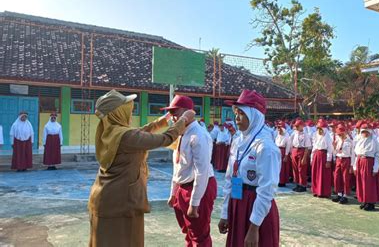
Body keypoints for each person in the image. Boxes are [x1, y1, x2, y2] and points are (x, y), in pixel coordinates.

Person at [88, 90, 194, 247]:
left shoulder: (112, 131)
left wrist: (162, 121)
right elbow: (164, 139)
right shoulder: (125, 136)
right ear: (118, 113)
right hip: (122, 202)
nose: (130, 114)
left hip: (107, 199)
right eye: (128, 110)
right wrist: (183, 120)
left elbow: (138, 134)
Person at [219, 89, 280, 247]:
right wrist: (225, 213)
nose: (236, 118)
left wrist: (254, 228)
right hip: (238, 201)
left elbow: (267, 190)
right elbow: (229, 179)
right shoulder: (238, 140)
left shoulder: (265, 147)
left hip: (256, 207)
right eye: (236, 112)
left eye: (241, 113)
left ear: (254, 115)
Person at [164, 95, 217, 247]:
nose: (173, 118)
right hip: (183, 187)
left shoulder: (199, 135)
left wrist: (194, 203)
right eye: (171, 113)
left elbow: (202, 171)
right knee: (188, 232)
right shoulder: (182, 133)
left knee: (199, 235)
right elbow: (178, 165)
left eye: (176, 113)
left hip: (199, 187)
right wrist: (173, 193)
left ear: (188, 113)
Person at [353, 123, 379, 211]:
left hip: (369, 162)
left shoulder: (374, 141)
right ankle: (364, 200)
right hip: (360, 161)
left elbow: (377, 155)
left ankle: (371, 202)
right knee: (361, 182)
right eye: (363, 132)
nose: (365, 133)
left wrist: (376, 168)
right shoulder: (359, 141)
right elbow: (356, 154)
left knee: (369, 182)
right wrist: (354, 166)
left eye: (366, 131)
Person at [311, 119, 334, 198]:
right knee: (316, 173)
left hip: (324, 155)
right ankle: (316, 190)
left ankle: (324, 192)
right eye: (318, 128)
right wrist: (312, 157)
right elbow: (314, 146)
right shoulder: (316, 135)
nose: (319, 130)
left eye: (320, 128)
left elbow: (330, 149)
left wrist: (328, 160)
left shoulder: (328, 136)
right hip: (317, 155)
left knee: (323, 174)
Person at [332, 126, 353, 204]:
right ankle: (339, 194)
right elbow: (335, 152)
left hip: (346, 160)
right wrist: (334, 147)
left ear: (345, 132)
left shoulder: (350, 141)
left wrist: (352, 165)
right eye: (338, 134)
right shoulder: (338, 141)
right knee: (337, 177)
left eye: (341, 134)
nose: (339, 135)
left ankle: (345, 195)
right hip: (338, 159)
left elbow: (352, 154)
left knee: (345, 178)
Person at [289, 120, 312, 192]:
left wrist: (304, 157)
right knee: (295, 169)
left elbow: (307, 147)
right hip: (294, 150)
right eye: (296, 126)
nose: (296, 127)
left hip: (302, 151)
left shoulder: (305, 135)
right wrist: (290, 153)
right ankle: (298, 184)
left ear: (302, 126)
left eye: (297, 126)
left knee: (301, 169)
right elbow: (290, 143)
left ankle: (303, 185)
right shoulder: (294, 134)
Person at [275, 121, 292, 187]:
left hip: (283, 151)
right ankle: (278, 180)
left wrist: (286, 155)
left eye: (280, 127)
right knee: (277, 167)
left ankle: (282, 181)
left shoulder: (286, 135)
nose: (278, 129)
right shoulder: (278, 135)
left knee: (282, 168)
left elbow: (288, 145)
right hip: (277, 151)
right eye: (278, 128)